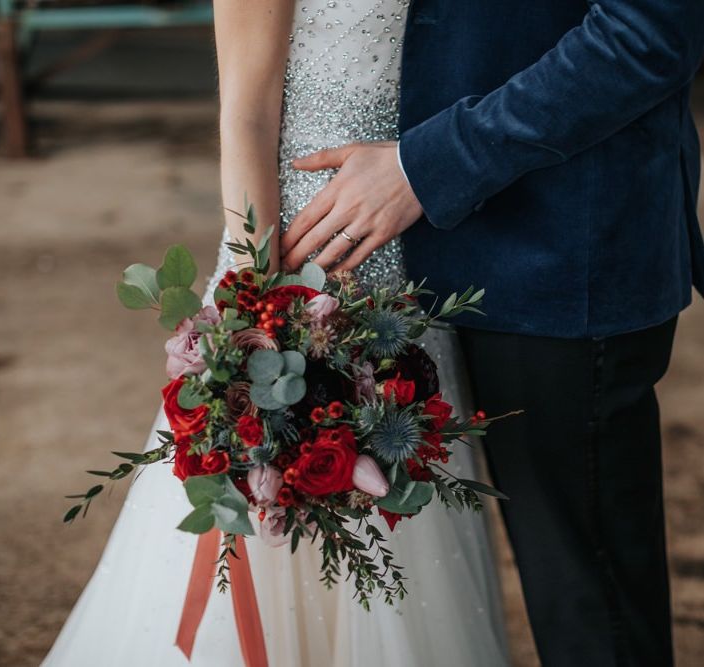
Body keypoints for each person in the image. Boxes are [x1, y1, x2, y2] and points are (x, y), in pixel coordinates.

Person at [43, 2, 510, 665]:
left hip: (408, 257)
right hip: (300, 256)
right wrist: (261, 310)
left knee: (399, 514)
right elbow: (247, 113)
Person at [280, 2, 704, 665]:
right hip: (395, 261)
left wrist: (429, 166)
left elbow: (646, 34)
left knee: (590, 612)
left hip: (558, 252)